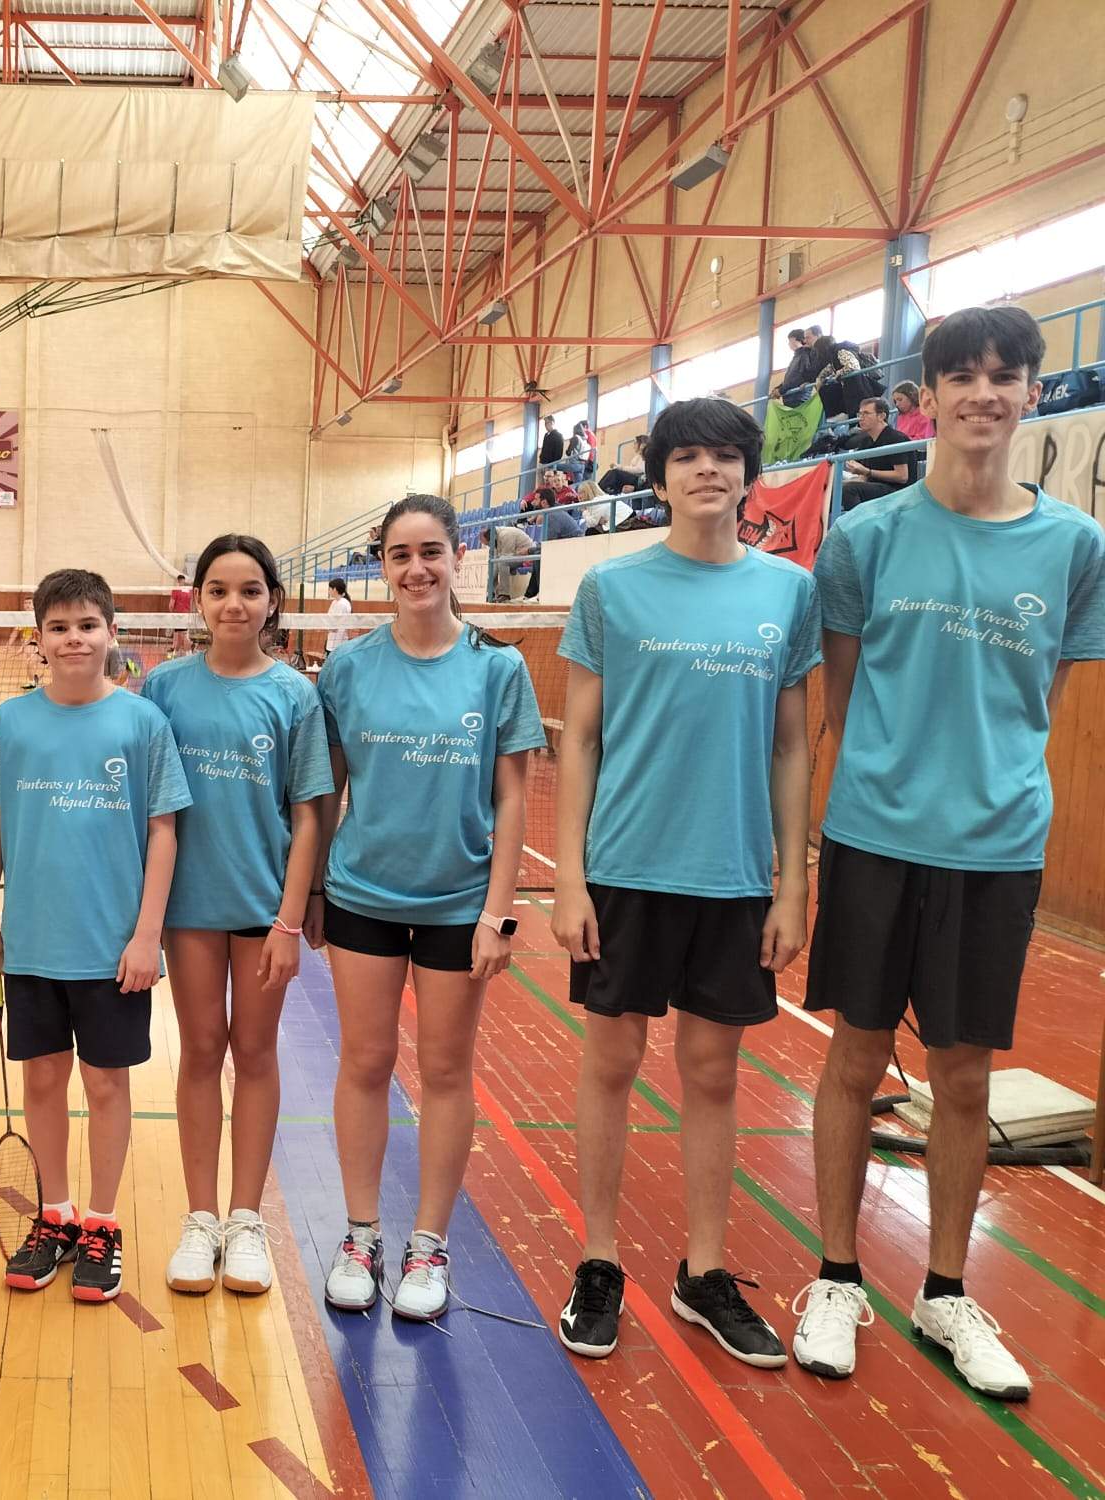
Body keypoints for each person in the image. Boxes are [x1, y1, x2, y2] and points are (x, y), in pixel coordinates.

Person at [792, 305, 1105, 1398]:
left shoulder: (1072, 545)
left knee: (962, 1076)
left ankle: (943, 1293)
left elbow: (1040, 699)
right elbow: (830, 705)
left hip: (996, 847)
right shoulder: (863, 539)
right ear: (926, 395)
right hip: (875, 836)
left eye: (1004, 376)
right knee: (851, 1057)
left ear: (1030, 394)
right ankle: (834, 1275)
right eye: (961, 375)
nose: (983, 393)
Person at [551, 396, 818, 1370]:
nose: (707, 470)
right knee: (611, 1067)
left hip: (732, 874)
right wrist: (569, 879)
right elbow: (576, 739)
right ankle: (598, 1261)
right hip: (623, 870)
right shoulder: (612, 591)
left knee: (711, 1074)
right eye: (688, 456)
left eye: (724, 456)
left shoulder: (786, 594)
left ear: (748, 475)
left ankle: (703, 1274)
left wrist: (791, 886)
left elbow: (790, 746)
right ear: (658, 477)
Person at [305, 494, 540, 1321]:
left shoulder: (497, 668)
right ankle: (361, 1233)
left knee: (444, 1071)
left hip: (458, 904)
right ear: (381, 564)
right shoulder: (349, 669)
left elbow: (514, 799)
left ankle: (430, 1244)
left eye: (431, 552)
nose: (416, 569)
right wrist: (311, 896)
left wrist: (498, 915)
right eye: (399, 555)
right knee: (365, 1063)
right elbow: (325, 790)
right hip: (363, 894)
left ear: (457, 558)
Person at [0, 568, 191, 1303]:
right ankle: (55, 1214)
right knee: (41, 1080)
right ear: (38, 640)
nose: (74, 639)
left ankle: (101, 1221)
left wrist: (146, 934)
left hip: (111, 946)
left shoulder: (142, 723)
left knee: (104, 1084)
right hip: (31, 942)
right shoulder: (12, 724)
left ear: (112, 634)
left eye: (88, 626)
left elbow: (164, 831)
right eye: (59, 627)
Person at [146, 536, 333, 1297]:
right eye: (218, 589)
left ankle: (246, 1220)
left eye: (250, 590)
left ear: (272, 602)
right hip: (189, 908)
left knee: (254, 1055)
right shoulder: (162, 688)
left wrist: (291, 922)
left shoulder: (293, 694)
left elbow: (311, 813)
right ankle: (200, 1220)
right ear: (196, 600)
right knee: (199, 1051)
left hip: (263, 910)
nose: (233, 604)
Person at [836, 396, 916, 509]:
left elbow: (902, 476)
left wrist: (868, 472)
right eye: (859, 414)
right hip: (876, 488)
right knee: (833, 489)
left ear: (881, 416)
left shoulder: (896, 438)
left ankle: (857, 525)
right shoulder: (866, 441)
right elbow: (863, 477)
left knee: (850, 489)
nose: (861, 418)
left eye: (866, 413)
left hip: (899, 491)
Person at [324, 577, 355, 655]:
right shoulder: (334, 602)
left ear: (334, 589)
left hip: (339, 643)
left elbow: (335, 625)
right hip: (331, 641)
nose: (328, 591)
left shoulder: (343, 604)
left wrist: (329, 627)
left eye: (329, 589)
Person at [170, 571, 192, 655]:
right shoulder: (188, 591)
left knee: (181, 634)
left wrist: (171, 613)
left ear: (178, 581)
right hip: (186, 615)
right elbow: (190, 602)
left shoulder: (176, 590)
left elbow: (171, 604)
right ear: (183, 580)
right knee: (179, 633)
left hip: (178, 615)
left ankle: (188, 650)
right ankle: (175, 651)